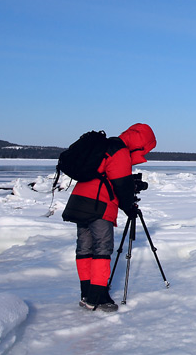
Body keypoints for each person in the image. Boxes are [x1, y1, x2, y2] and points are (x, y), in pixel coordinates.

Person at [62, 123, 156, 312]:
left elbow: (108, 176)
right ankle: (98, 297)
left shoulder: (105, 146)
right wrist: (129, 206)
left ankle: (86, 293)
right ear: (140, 143)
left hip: (80, 201)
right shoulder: (119, 150)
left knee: (84, 248)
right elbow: (121, 184)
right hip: (98, 204)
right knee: (102, 249)